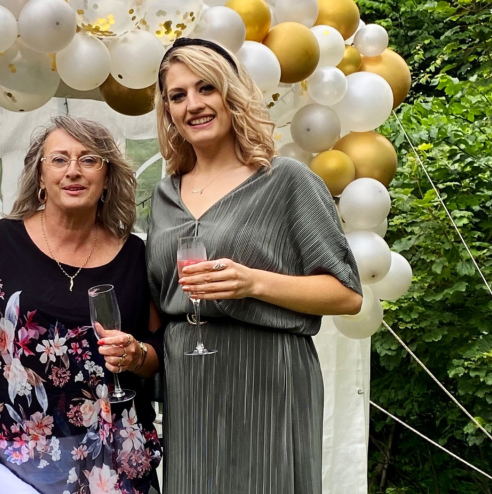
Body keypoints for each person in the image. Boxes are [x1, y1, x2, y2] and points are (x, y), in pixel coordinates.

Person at [145, 37, 363, 494]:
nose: (193, 105)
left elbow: (346, 295)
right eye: (177, 96)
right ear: (168, 112)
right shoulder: (164, 195)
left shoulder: (286, 180)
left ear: (232, 94)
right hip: (190, 383)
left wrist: (252, 282)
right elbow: (158, 298)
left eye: (206, 88)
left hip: (268, 374)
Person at [0, 116, 163, 494]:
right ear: (40, 176)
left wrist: (136, 355)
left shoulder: (136, 256)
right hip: (14, 454)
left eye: (89, 160)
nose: (73, 170)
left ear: (107, 177)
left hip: (111, 454)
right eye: (58, 159)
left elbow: (157, 350)